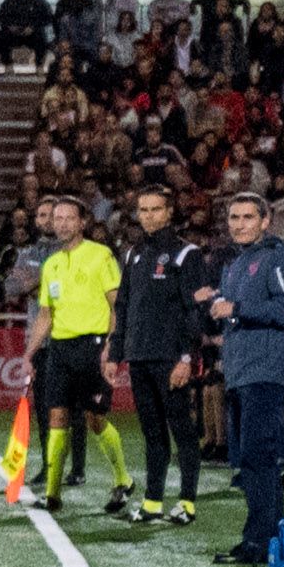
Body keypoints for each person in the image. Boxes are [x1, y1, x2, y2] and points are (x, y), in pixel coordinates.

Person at [206, 189, 284, 566]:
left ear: (265, 221)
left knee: (259, 458)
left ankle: (260, 540)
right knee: (248, 460)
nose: (240, 225)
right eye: (234, 218)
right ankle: (265, 538)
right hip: (240, 372)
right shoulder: (236, 264)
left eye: (248, 217)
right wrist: (218, 306)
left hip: (265, 373)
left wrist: (237, 307)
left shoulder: (276, 256)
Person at [19, 191, 131, 516]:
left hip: (93, 348)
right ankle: (53, 494)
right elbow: (45, 315)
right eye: (58, 218)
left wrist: (111, 344)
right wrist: (30, 352)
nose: (63, 223)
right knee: (56, 419)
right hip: (60, 351)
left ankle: (122, 479)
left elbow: (116, 305)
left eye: (69, 218)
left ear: (82, 222)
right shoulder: (51, 264)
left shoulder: (101, 256)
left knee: (96, 420)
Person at [112, 183, 211, 525]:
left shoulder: (187, 254)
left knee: (182, 430)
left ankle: (187, 502)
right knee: (152, 433)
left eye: (156, 209)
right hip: (139, 356)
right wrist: (114, 353)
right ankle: (152, 502)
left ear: (170, 212)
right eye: (144, 210)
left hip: (171, 358)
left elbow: (194, 311)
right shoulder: (132, 254)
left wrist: (186, 357)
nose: (149, 216)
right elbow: (123, 307)